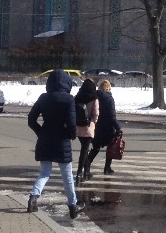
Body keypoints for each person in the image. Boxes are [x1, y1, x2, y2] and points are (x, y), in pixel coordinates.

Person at [25, 70, 84, 217]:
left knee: (45, 172)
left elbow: (31, 119)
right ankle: (72, 206)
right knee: (67, 175)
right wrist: (72, 135)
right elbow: (71, 123)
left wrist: (41, 132)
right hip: (62, 141)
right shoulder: (68, 99)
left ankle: (33, 197)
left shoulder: (43, 98)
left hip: (45, 139)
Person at [85, 80, 121, 176]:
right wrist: (118, 127)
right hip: (108, 127)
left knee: (95, 148)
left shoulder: (94, 96)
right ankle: (107, 167)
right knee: (110, 147)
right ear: (109, 88)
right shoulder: (109, 99)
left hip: (96, 126)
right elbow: (112, 115)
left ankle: (87, 165)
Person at [73, 77, 99, 182]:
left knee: (84, 148)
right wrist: (94, 122)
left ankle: (87, 171)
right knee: (84, 150)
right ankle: (79, 173)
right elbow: (96, 113)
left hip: (78, 126)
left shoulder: (77, 97)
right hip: (88, 126)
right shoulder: (94, 98)